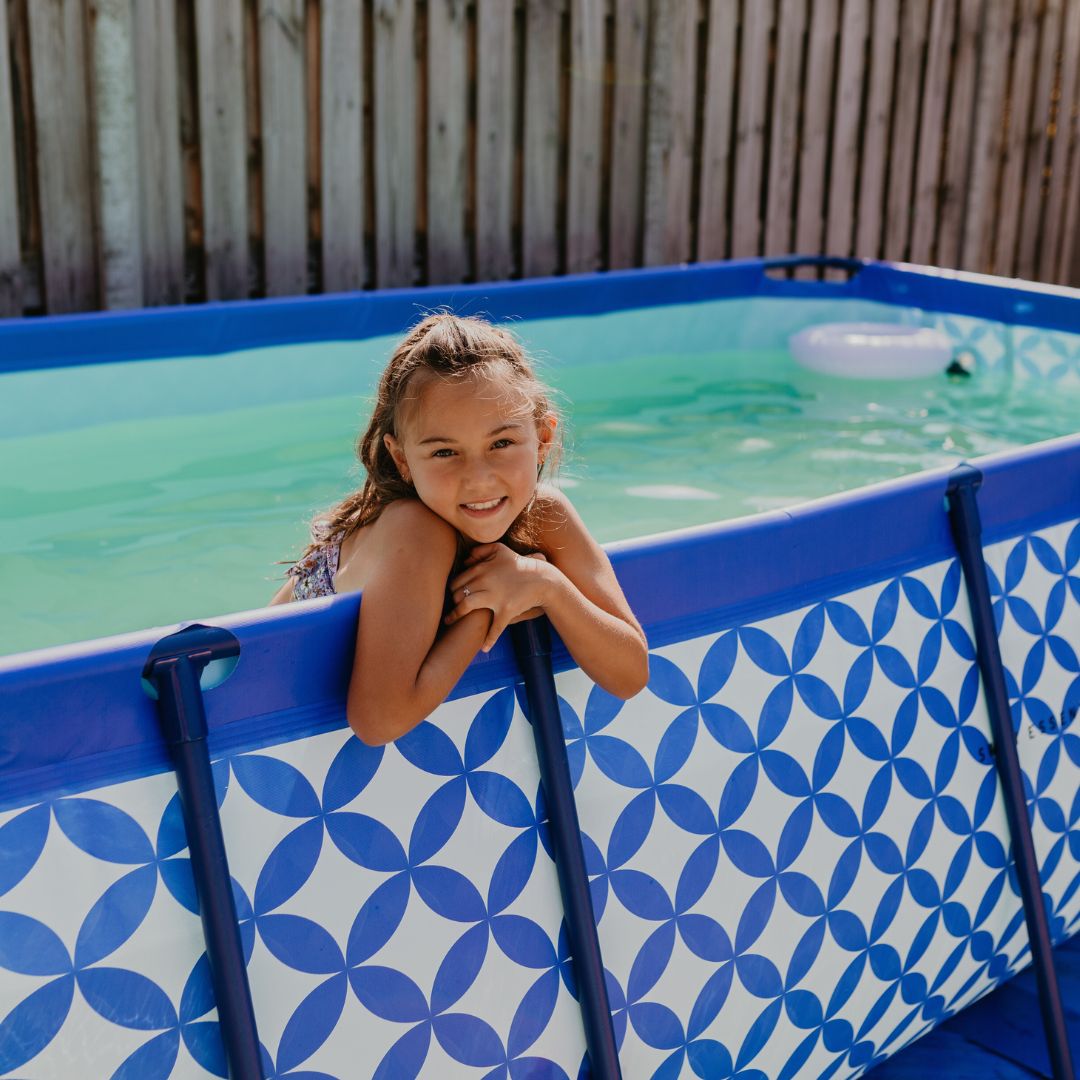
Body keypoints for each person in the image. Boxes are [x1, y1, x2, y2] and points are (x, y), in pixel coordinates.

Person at [270, 313, 649, 746]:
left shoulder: (544, 513)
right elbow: (378, 721)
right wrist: (487, 606)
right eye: (446, 452)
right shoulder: (415, 529)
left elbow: (631, 673)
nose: (479, 478)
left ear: (542, 437)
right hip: (258, 711)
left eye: (501, 444)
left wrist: (547, 584)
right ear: (402, 460)